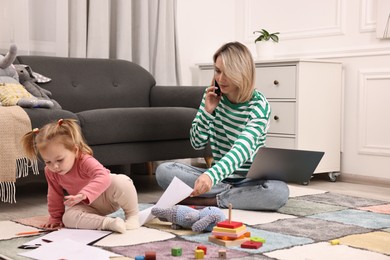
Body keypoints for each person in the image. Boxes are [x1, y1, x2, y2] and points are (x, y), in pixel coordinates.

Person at [155, 41, 289, 211]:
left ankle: (209, 200)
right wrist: (207, 112)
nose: (220, 78)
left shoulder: (259, 105)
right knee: (164, 171)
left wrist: (210, 177)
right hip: (220, 179)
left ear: (242, 73)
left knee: (279, 192)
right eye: (218, 71)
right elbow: (196, 143)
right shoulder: (212, 96)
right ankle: (234, 197)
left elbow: (242, 149)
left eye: (228, 73)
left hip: (248, 180)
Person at [21, 119, 139, 233]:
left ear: (75, 150)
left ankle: (133, 216)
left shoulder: (84, 160)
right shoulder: (50, 171)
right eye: (48, 162)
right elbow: (54, 195)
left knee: (121, 181)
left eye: (60, 160)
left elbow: (103, 176)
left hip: (108, 197)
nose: (55, 166)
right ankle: (108, 223)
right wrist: (55, 218)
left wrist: (84, 194)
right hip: (89, 207)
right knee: (68, 218)